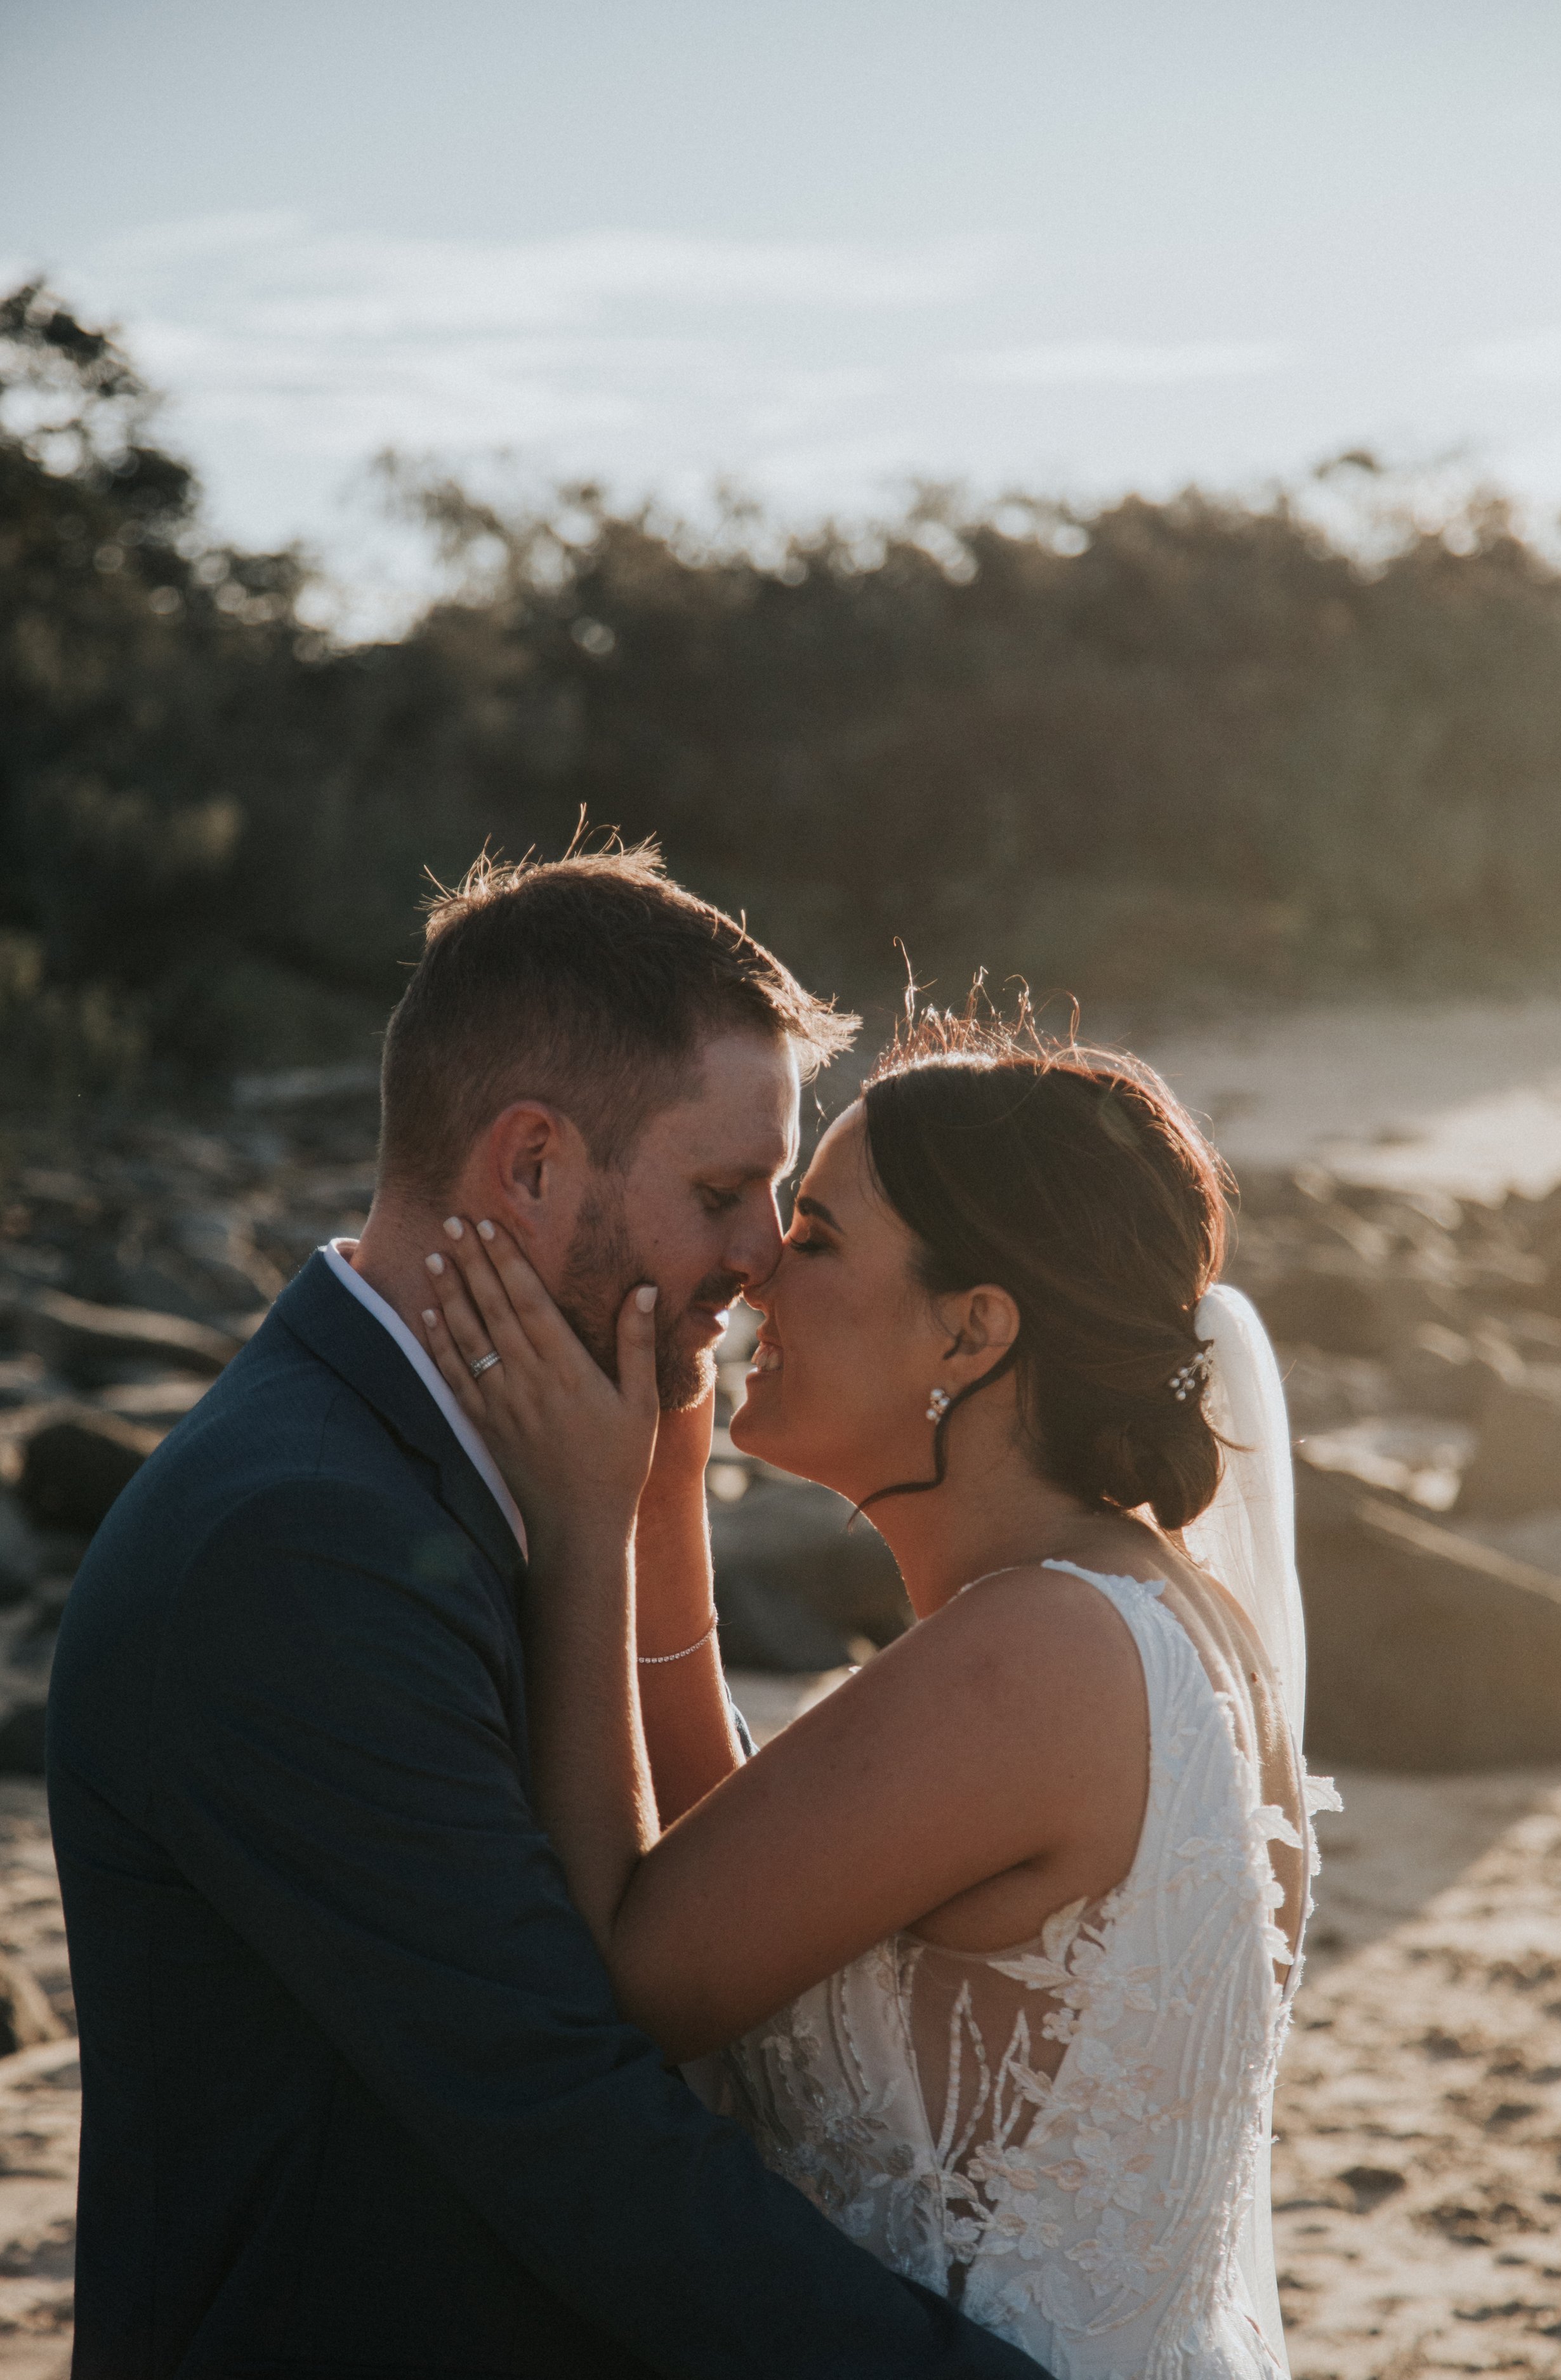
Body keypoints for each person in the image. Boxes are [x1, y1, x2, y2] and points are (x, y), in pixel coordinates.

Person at [46, 847, 1047, 2379]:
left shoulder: (462, 1459)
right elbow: (570, 2119)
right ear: (528, 1169)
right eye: (720, 1192)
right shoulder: (297, 1544)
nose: (764, 1254)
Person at [419, 998, 1340, 2379]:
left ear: (970, 1333)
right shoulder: (1142, 1609)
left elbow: (633, 1971)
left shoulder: (1035, 1654)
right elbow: (741, 1888)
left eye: (815, 1240)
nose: (752, 1277)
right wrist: (666, 1496)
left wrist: (581, 1527)